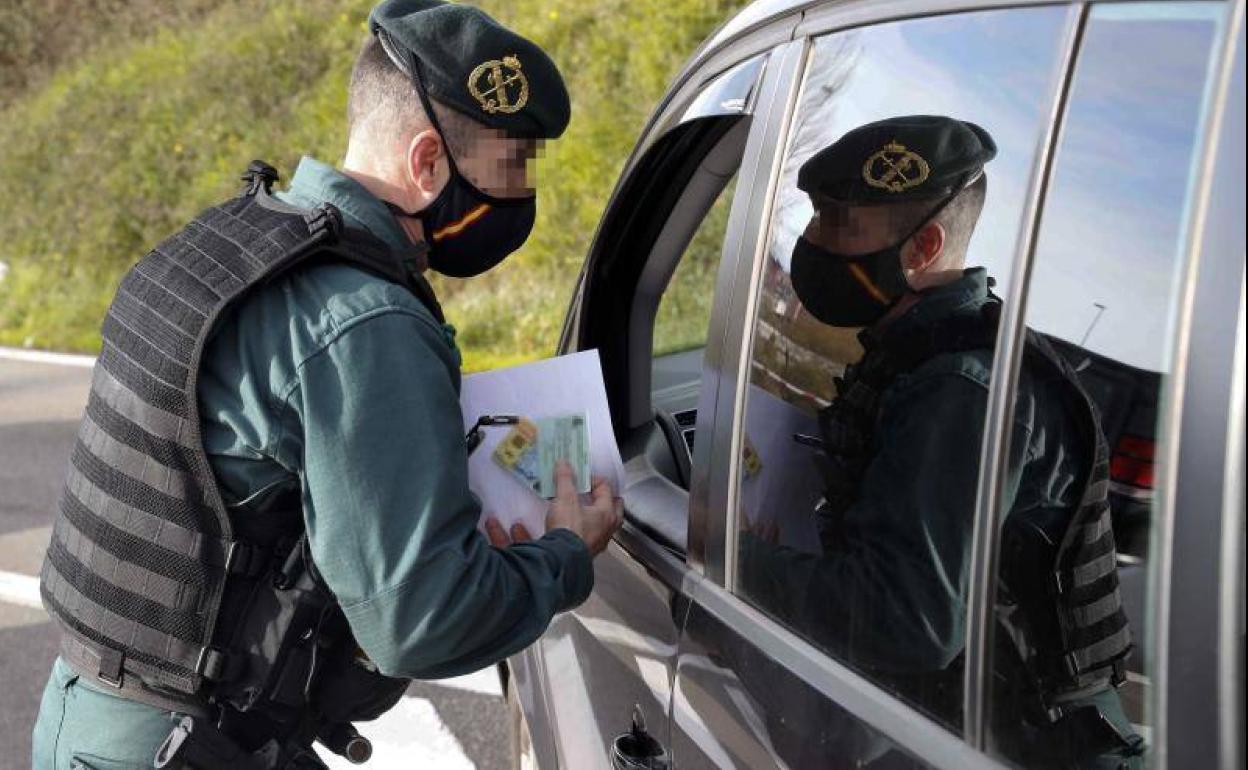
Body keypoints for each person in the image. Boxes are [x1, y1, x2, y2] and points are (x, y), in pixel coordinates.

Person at [31, 1, 622, 767]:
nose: (521, 195)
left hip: (92, 712)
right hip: (185, 743)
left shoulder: (225, 246)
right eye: (512, 168)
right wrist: (567, 553)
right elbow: (424, 621)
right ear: (427, 165)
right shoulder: (361, 322)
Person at [737, 116, 1143, 768]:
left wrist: (729, 558)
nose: (813, 241)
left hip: (1032, 745)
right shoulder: (925, 354)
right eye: (815, 217)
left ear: (923, 248)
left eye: (839, 223)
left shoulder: (961, 388)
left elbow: (904, 622)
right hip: (980, 726)